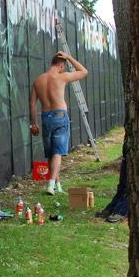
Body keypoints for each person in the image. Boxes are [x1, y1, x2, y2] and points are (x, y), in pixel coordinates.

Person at [29, 51, 89, 195]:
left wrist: (34, 124)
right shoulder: (62, 77)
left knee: (51, 153)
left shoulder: (38, 80)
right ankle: (50, 184)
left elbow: (32, 104)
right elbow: (84, 71)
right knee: (58, 152)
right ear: (61, 66)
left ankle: (58, 185)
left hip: (45, 117)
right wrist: (68, 57)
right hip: (60, 116)